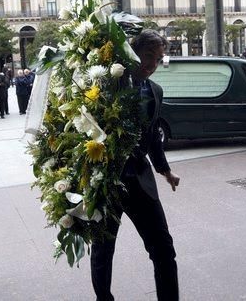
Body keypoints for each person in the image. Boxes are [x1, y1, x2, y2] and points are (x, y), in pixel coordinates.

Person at [90, 29, 181, 301]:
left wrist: (165, 170)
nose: (152, 65)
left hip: (141, 181)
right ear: (133, 53)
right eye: (148, 56)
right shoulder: (108, 85)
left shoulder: (156, 91)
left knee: (163, 249)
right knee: (104, 250)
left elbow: (152, 135)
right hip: (106, 182)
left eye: (158, 59)